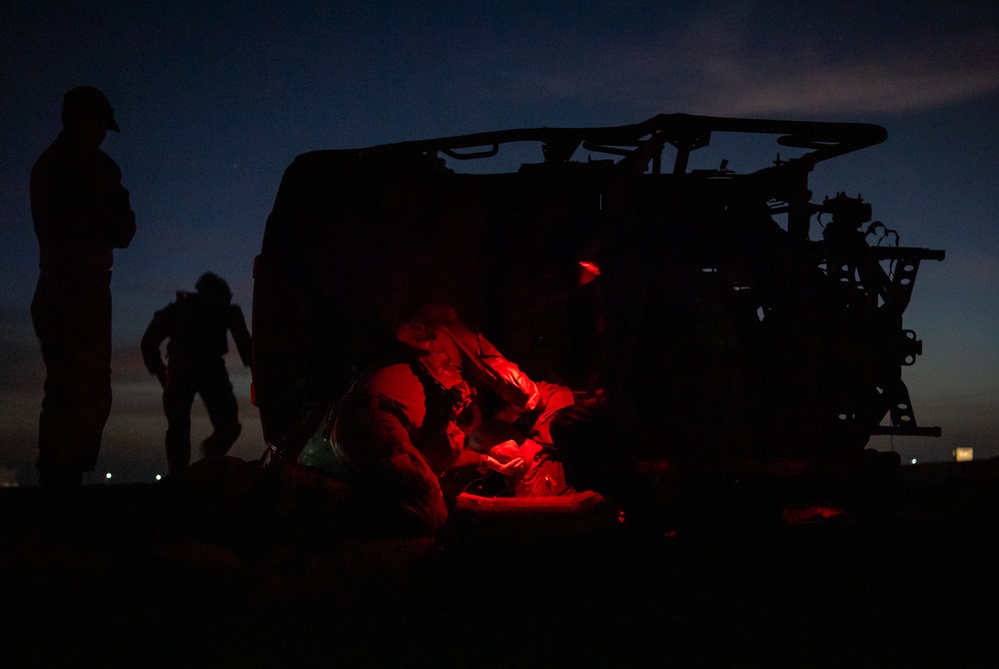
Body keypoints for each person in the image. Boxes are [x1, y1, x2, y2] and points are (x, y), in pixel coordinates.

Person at [330, 304, 573, 536]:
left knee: (392, 508)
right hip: (379, 425)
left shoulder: (413, 368)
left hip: (344, 432)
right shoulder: (450, 334)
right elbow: (512, 382)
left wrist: (486, 460)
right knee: (431, 512)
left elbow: (433, 461)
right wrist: (532, 401)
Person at [30, 86, 136, 488]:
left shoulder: (46, 165)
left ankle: (58, 484)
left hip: (54, 286)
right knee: (83, 393)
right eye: (101, 126)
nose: (104, 135)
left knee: (64, 390)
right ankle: (63, 491)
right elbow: (122, 229)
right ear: (87, 121)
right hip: (82, 291)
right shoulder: (94, 167)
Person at [141, 273, 252, 475]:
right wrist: (162, 374)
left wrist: (162, 374)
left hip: (199, 370)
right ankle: (185, 477)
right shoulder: (184, 310)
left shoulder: (215, 310)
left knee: (210, 428)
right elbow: (148, 342)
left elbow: (247, 349)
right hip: (191, 370)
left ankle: (200, 470)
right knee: (180, 430)